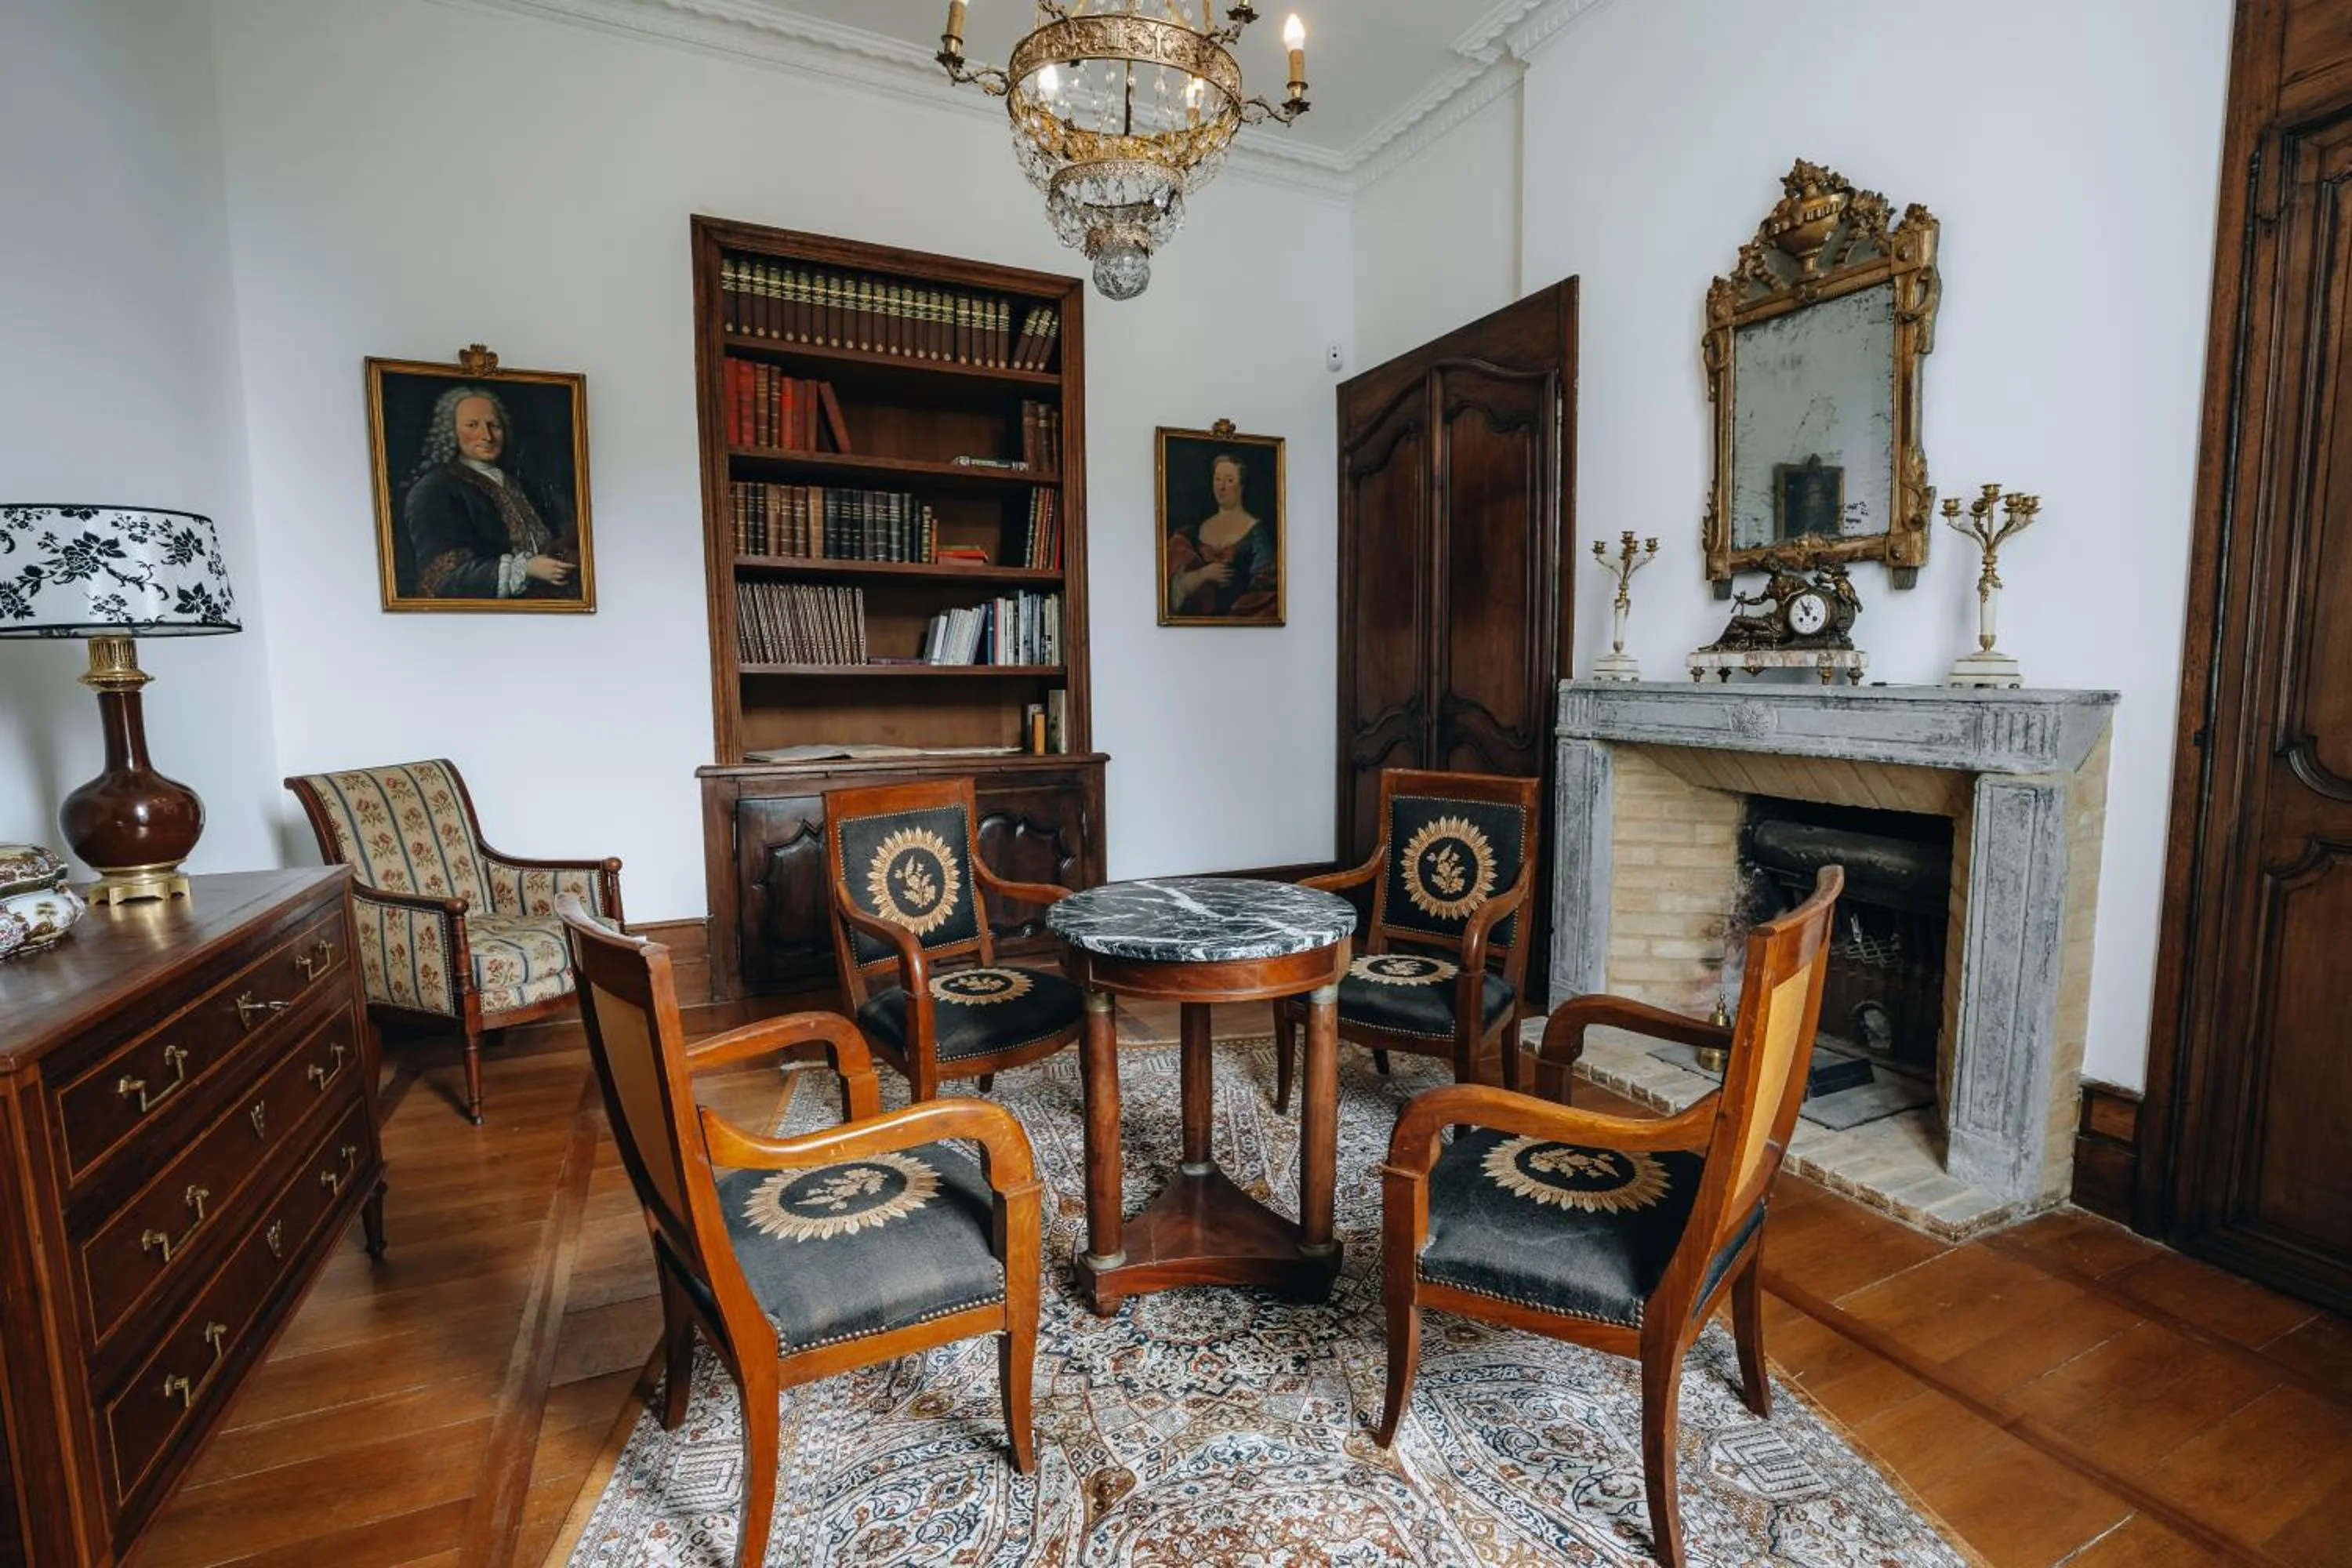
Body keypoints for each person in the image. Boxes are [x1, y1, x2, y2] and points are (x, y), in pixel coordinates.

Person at [400, 385, 579, 599]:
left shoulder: (521, 485)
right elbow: (441, 580)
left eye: (494, 425)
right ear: (451, 431)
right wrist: (527, 569)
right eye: (472, 425)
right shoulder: (434, 490)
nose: (487, 436)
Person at [1164, 451, 1277, 620]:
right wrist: (1203, 575)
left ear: (1241, 486)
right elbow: (1175, 591)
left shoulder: (1256, 533)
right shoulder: (1198, 529)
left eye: (1229, 480)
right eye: (1217, 479)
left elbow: (1264, 591)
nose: (1221, 487)